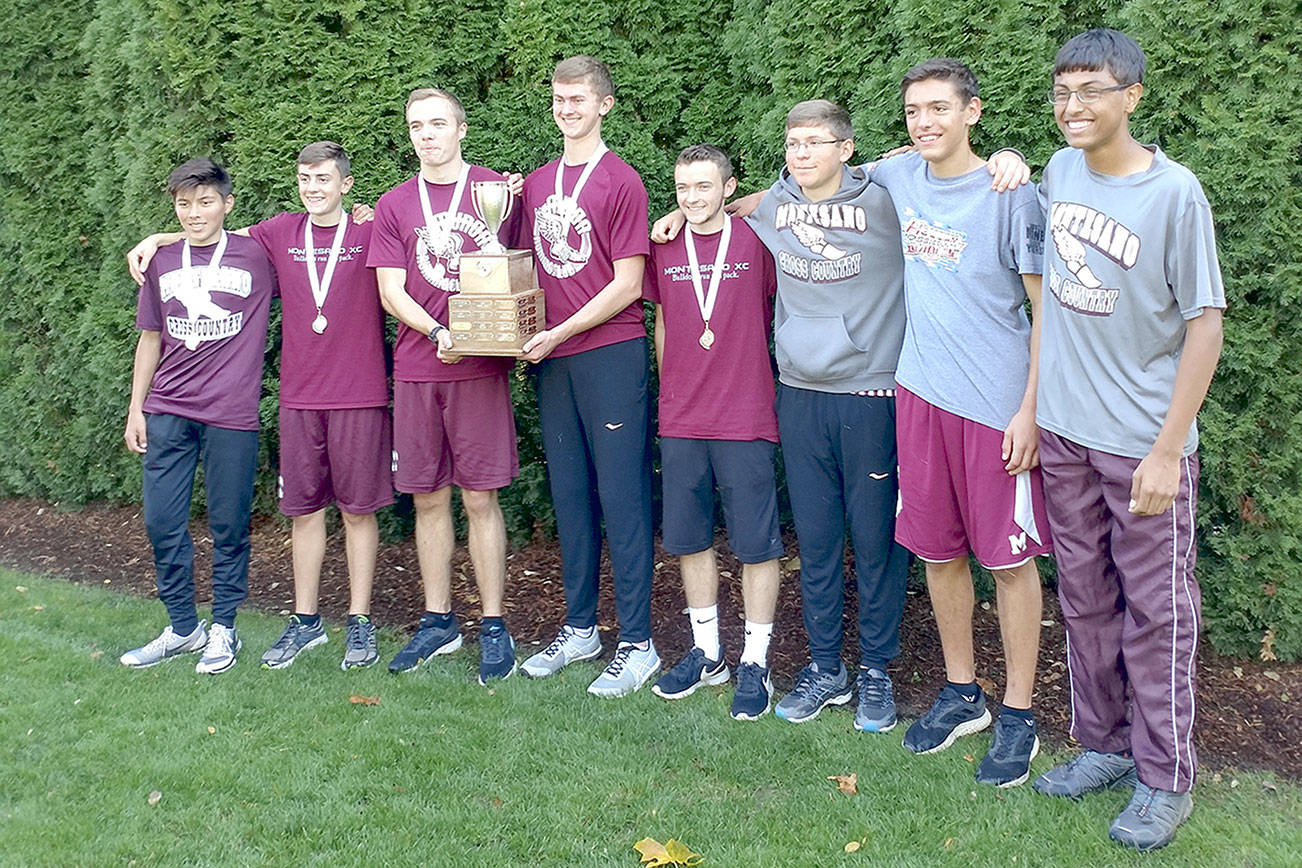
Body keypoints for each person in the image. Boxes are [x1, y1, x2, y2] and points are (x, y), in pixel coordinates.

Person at [1029, 29, 1225, 851]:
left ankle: (1166, 777)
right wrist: (1037, 408)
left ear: (1133, 96)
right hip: (1066, 433)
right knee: (1085, 601)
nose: (1074, 108)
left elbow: (1205, 326)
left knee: (1157, 612)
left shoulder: (1175, 195)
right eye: (1063, 92)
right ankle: (1103, 747)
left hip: (1140, 445)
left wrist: (1167, 448)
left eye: (1093, 91)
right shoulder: (1059, 170)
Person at [127, 142, 392, 671]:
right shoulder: (276, 235)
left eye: (324, 179)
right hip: (292, 398)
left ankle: (355, 623)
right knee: (300, 513)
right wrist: (157, 237)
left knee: (355, 512)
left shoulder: (369, 229)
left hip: (351, 395)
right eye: (305, 178)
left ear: (346, 184)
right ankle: (293, 623)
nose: (313, 187)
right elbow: (205, 238)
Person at [866, 59, 1050, 788]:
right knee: (938, 554)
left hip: (995, 410)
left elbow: (1046, 316)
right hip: (921, 397)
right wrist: (716, 210)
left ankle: (1020, 712)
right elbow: (814, 178)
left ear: (973, 111)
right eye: (915, 110)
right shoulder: (901, 175)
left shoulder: (1014, 194)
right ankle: (962, 692)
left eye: (940, 108)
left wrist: (1031, 410)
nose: (926, 122)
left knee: (1007, 562)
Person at [368, 87, 522, 686]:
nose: (426, 135)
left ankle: (493, 623)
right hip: (419, 365)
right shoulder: (393, 204)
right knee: (428, 497)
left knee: (480, 497)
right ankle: (438, 620)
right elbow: (390, 289)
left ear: (461, 129)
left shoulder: (499, 191)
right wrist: (437, 330)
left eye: (437, 124)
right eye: (416, 126)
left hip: (480, 367)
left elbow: (525, 265)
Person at [517, 56, 658, 697]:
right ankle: (580, 629)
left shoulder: (622, 181)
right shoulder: (537, 183)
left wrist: (562, 331)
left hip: (608, 353)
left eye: (578, 99)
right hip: (553, 358)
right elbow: (514, 263)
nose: (566, 108)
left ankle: (638, 642)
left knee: (622, 496)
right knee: (571, 493)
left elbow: (628, 284)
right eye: (558, 99)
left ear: (604, 104)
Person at [119, 158, 276, 674]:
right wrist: (136, 409)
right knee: (162, 521)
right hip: (168, 408)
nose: (193, 213)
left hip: (231, 413)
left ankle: (224, 627)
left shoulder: (258, 254)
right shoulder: (162, 262)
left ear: (227, 205)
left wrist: (361, 215)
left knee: (229, 524)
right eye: (183, 205)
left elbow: (315, 229)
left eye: (205, 202)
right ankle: (183, 627)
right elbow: (149, 338)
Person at [643, 145, 783, 720]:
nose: (692, 198)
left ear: (728, 188)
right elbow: (664, 323)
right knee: (689, 538)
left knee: (755, 544)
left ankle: (756, 661)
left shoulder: (759, 239)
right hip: (682, 419)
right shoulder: (664, 244)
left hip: (745, 415)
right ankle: (707, 653)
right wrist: (672, 390)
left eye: (704, 187)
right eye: (683, 189)